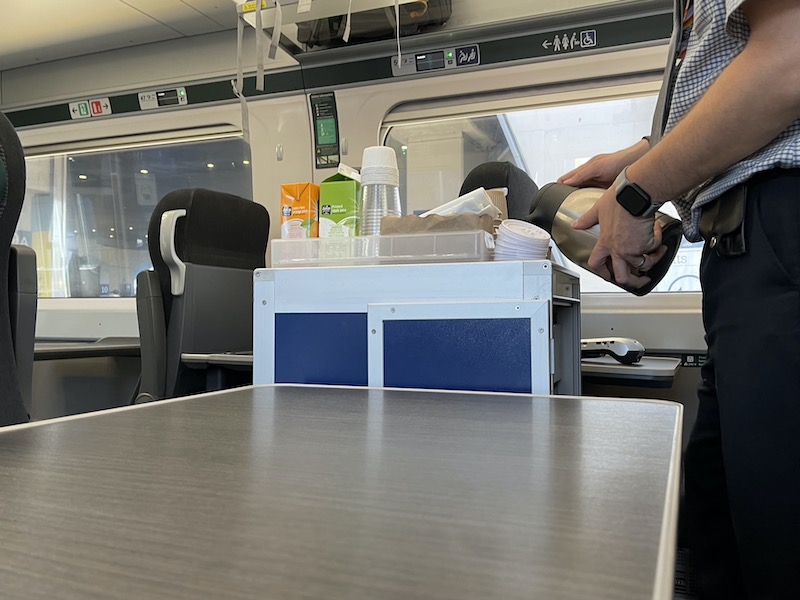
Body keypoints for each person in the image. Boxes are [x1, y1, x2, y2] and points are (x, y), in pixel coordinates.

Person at [557, 0, 800, 598]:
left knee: (779, 541)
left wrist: (637, 191)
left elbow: (788, 58)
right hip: (740, 258)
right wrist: (635, 158)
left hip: (781, 230)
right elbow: (729, 75)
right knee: (720, 526)